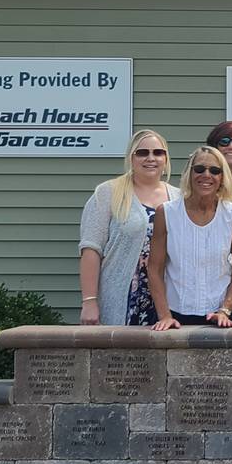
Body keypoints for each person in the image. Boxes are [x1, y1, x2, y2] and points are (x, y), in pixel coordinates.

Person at [78, 129, 182, 325]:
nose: (150, 158)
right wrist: (89, 301)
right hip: (123, 297)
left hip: (168, 299)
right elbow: (91, 249)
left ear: (166, 159)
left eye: (157, 152)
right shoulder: (108, 193)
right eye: (142, 152)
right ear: (131, 157)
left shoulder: (179, 197)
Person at [147, 147, 232, 329]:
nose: (206, 175)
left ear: (222, 177)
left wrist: (225, 310)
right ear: (189, 173)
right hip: (175, 316)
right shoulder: (166, 213)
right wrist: (165, 315)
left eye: (215, 171)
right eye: (200, 169)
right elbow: (155, 269)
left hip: (221, 317)